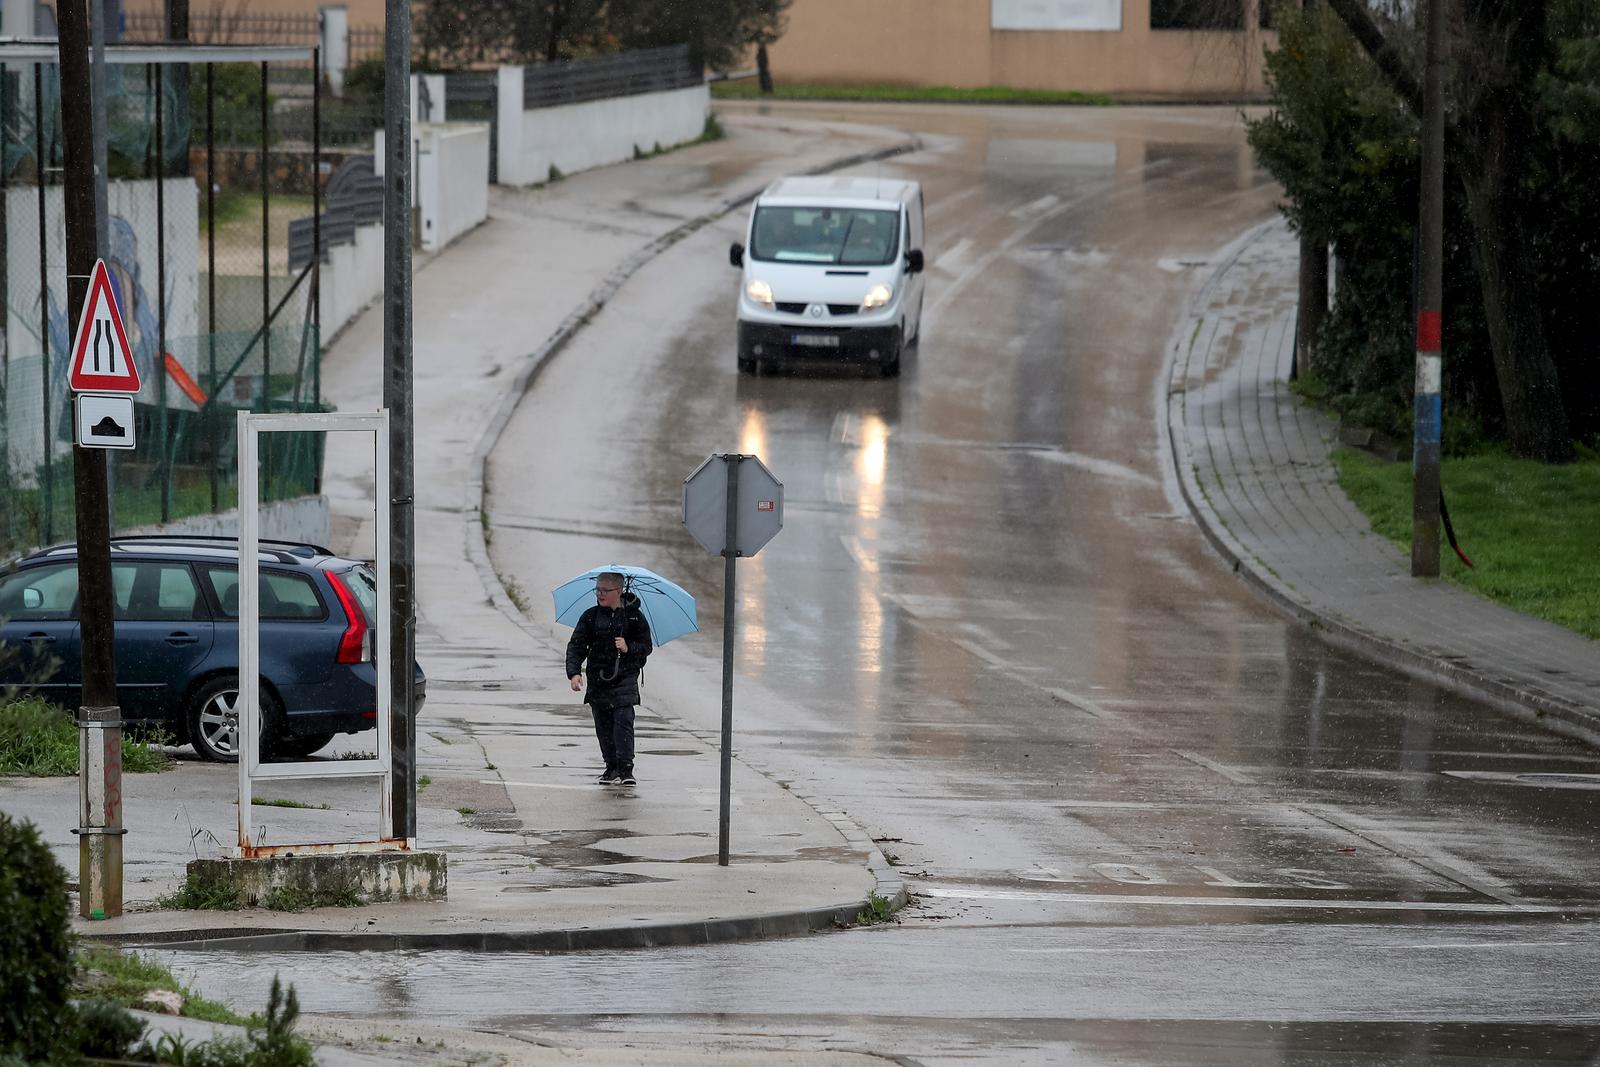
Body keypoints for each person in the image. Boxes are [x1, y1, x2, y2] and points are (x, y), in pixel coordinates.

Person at [565, 573, 652, 785]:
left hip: (625, 679)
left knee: (623, 722)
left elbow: (646, 647)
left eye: (605, 590)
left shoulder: (634, 617)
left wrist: (628, 647)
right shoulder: (590, 616)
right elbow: (576, 646)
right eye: (598, 589)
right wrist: (574, 673)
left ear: (619, 591)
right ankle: (611, 767)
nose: (600, 594)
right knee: (603, 726)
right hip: (598, 679)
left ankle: (626, 769)